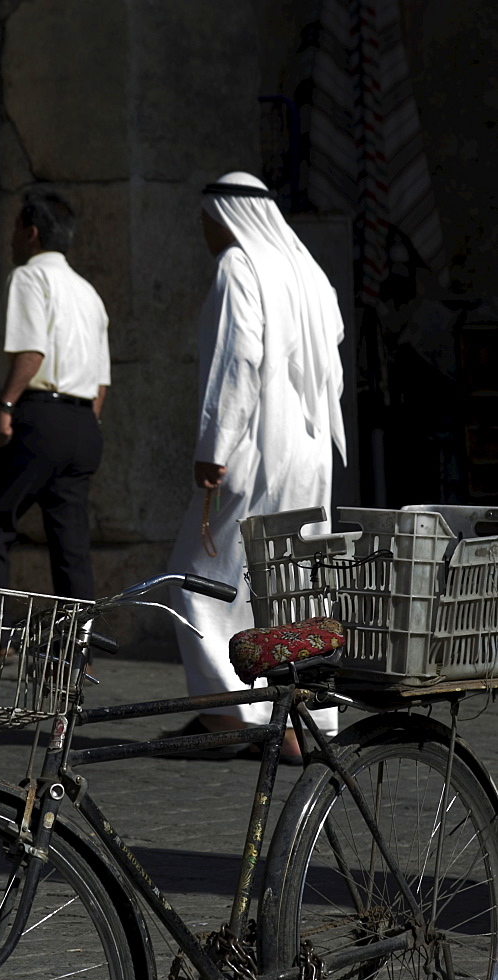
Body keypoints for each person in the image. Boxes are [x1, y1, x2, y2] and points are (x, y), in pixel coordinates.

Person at [168, 171, 346, 758]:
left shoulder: (239, 268)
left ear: (224, 217)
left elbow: (236, 361)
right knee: (291, 584)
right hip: (307, 453)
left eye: (205, 218)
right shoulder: (306, 270)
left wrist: (212, 449)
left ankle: (229, 720)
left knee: (198, 579)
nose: (202, 229)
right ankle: (303, 724)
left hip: (257, 451)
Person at [0, 185, 110, 644]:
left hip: (40, 416)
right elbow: (102, 380)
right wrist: (82, 424)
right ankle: (78, 651)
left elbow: (31, 351)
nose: (11, 239)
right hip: (85, 424)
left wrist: (6, 404)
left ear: (30, 232)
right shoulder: (89, 293)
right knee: (71, 546)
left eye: (14, 229)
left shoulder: (28, 277)